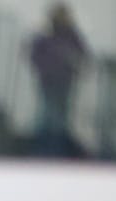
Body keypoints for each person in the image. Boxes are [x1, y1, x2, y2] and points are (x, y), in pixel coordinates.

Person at [28, 3, 90, 158]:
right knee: (47, 114)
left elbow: (83, 55)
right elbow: (34, 54)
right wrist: (44, 68)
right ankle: (43, 151)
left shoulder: (72, 36)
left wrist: (75, 66)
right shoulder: (45, 35)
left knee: (61, 116)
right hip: (48, 80)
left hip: (65, 81)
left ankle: (58, 152)